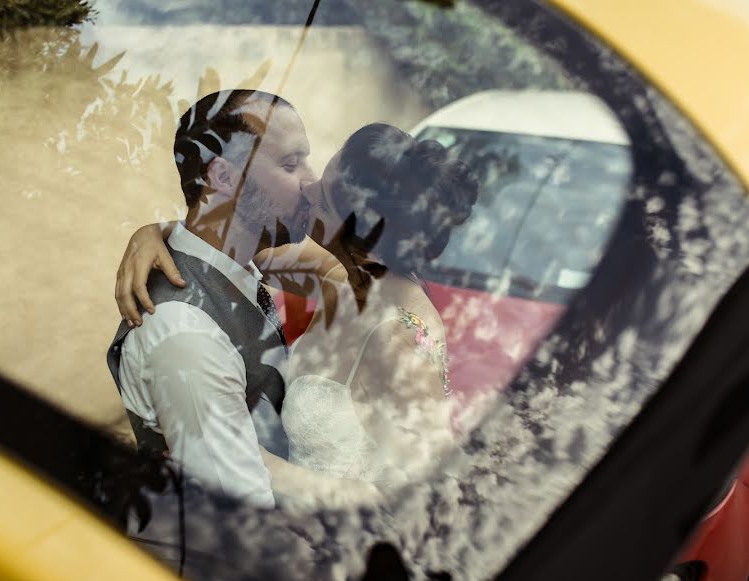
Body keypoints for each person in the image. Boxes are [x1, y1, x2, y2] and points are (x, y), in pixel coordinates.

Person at [118, 123, 479, 508]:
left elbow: (424, 495)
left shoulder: (399, 338)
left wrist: (220, 448)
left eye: (322, 197)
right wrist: (154, 233)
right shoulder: (345, 277)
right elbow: (231, 245)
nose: (308, 189)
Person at [107, 89, 317, 509]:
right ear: (222, 177)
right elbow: (241, 517)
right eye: (291, 164)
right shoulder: (185, 334)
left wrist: (162, 229)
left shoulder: (243, 264)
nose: (311, 181)